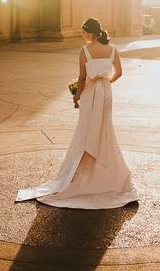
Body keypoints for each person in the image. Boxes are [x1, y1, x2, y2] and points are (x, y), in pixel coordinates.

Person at [15, 17, 138, 208]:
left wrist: (77, 96)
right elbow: (119, 72)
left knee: (86, 128)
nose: (83, 36)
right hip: (106, 93)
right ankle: (107, 177)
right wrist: (105, 82)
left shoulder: (85, 50)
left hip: (89, 94)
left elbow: (82, 78)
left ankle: (82, 173)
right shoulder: (112, 49)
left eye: (83, 32)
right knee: (105, 130)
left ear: (89, 33)